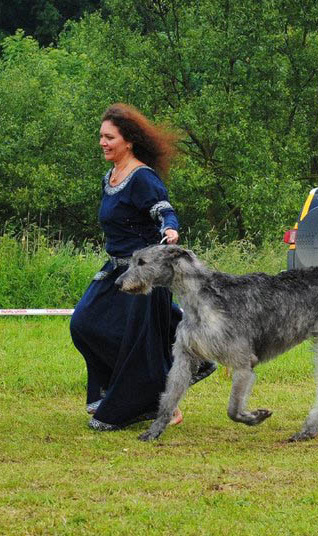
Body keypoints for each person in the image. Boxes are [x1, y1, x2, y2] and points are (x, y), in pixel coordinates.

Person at [70, 103, 215, 431]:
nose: (103, 143)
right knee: (84, 324)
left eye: (109, 137)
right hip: (114, 272)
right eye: (101, 137)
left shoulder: (142, 178)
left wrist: (169, 229)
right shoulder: (110, 176)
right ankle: (156, 385)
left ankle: (153, 401)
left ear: (129, 141)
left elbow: (163, 209)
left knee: (139, 342)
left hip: (142, 277)